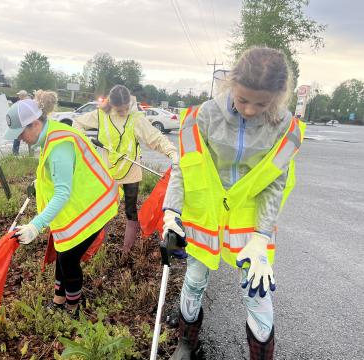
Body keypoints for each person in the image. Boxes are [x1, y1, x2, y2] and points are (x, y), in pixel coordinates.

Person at [162, 47, 306, 360]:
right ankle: (186, 344)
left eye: (262, 103)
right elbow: (183, 167)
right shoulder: (204, 116)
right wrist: (171, 212)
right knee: (195, 279)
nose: (251, 110)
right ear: (231, 85)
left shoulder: (284, 127)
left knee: (258, 293)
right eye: (243, 100)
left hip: (250, 222)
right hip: (205, 216)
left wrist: (261, 237)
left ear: (279, 96)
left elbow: (275, 182)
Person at [4, 95, 119, 315]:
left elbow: (62, 192)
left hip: (93, 208)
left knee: (68, 259)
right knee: (63, 251)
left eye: (21, 133)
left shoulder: (58, 146)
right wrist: (41, 182)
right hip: (80, 205)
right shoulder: (52, 132)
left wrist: (35, 225)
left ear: (35, 124)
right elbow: (64, 175)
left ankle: (72, 308)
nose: (20, 138)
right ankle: (58, 302)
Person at [74, 85, 177, 253]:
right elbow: (77, 123)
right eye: (120, 110)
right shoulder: (100, 115)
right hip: (107, 174)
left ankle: (126, 251)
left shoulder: (136, 118)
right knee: (103, 212)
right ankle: (99, 248)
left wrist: (172, 153)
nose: (123, 112)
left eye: (125, 109)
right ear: (111, 105)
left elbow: (155, 138)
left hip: (131, 172)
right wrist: (85, 143)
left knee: (130, 212)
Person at [12, 90, 31, 155]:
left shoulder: (18, 103)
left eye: (19, 95)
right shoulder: (30, 103)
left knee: (17, 137)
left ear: (22, 96)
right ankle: (31, 152)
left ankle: (15, 153)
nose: (18, 96)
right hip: (28, 122)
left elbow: (14, 112)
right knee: (30, 137)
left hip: (20, 123)